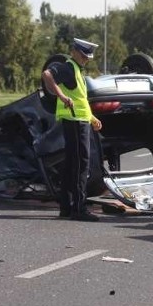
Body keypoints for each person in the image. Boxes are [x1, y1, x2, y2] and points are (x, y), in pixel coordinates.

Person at [41, 38, 103, 221]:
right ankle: (78, 208)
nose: (85, 60)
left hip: (79, 120)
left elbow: (80, 99)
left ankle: (66, 207)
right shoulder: (67, 67)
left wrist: (92, 118)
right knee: (80, 164)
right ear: (74, 51)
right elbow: (47, 74)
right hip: (74, 121)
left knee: (71, 165)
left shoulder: (76, 71)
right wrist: (60, 95)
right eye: (83, 56)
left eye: (87, 57)